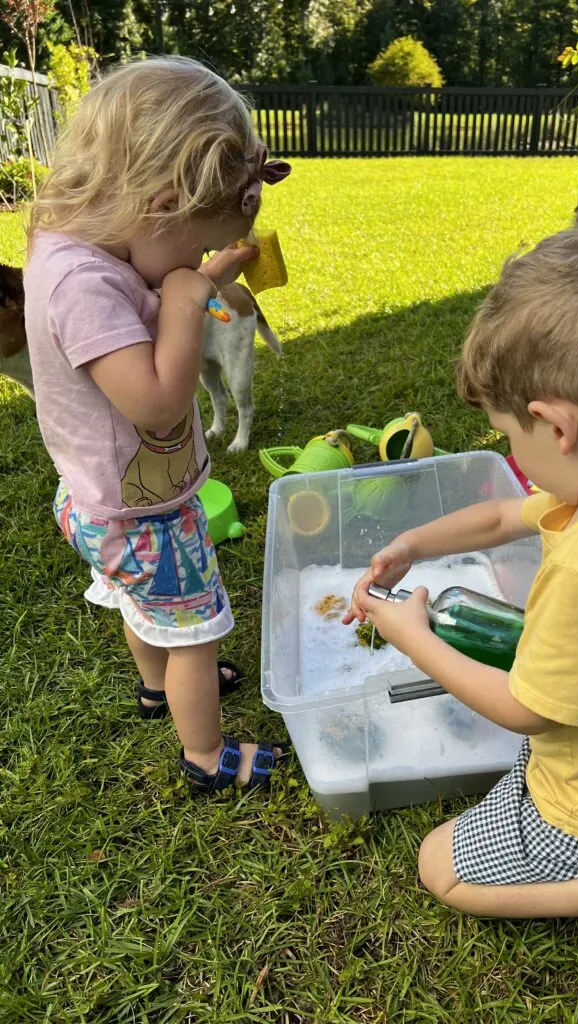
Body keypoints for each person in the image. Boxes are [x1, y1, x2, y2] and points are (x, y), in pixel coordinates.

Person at [344, 219, 578, 983]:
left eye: (509, 437)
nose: (513, 457)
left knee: (438, 866)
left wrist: (412, 634)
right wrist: (414, 543)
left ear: (555, 425)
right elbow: (498, 514)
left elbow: (526, 710)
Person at [24, 56, 290, 794]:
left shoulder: (77, 249)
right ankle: (204, 754)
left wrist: (193, 279)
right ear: (161, 204)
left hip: (97, 501)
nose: (197, 263)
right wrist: (183, 300)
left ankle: (155, 686)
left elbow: (140, 290)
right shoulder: (82, 286)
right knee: (199, 636)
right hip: (145, 516)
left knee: (143, 605)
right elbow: (156, 403)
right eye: (197, 244)